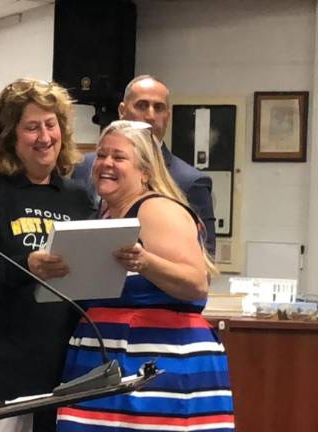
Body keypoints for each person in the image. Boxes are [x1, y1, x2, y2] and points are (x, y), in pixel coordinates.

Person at [0, 78, 96, 432]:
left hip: (57, 370)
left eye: (51, 125)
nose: (44, 137)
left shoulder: (78, 199)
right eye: (31, 127)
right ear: (10, 136)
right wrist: (26, 266)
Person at [57, 121, 235, 431]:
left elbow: (195, 284)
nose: (105, 164)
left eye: (118, 157)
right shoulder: (105, 214)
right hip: (105, 363)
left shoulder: (156, 210)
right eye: (101, 155)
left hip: (157, 362)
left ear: (145, 171)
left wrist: (146, 262)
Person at [71, 75, 217, 256]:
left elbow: (205, 259)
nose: (150, 116)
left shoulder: (189, 181)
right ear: (122, 111)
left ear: (168, 117)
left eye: (159, 108)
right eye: (141, 106)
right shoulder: (86, 167)